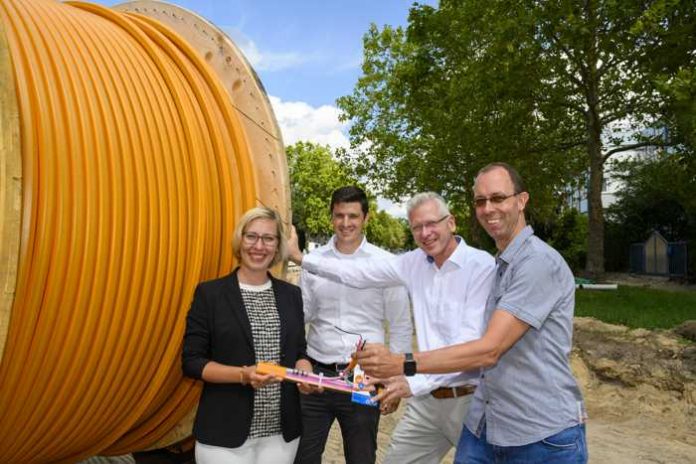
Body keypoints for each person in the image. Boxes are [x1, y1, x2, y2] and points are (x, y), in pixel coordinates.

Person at [355, 163, 588, 464]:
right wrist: (299, 257)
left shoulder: (536, 263)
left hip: (542, 435)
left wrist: (402, 364)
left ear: (522, 200)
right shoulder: (501, 264)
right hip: (489, 422)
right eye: (481, 201)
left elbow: (488, 350)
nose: (488, 208)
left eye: (498, 198)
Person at [288, 192, 495, 464]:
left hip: (457, 396)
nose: (426, 232)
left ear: (452, 223)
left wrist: (401, 377)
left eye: (432, 223)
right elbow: (354, 275)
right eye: (417, 227)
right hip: (411, 396)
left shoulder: (480, 265)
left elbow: (463, 346)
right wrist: (301, 258)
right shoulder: (413, 263)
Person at [182, 207, 314, 464]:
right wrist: (243, 375)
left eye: (268, 238)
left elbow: (299, 351)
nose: (259, 246)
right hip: (224, 434)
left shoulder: (290, 295)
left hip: (280, 435)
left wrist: (304, 372)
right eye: (251, 236)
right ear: (239, 240)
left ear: (277, 247)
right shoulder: (210, 294)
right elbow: (192, 361)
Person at [294, 186, 412, 464]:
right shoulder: (313, 262)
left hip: (363, 378)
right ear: (331, 217)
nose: (346, 223)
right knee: (302, 457)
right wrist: (299, 359)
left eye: (353, 216)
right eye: (339, 216)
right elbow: (300, 317)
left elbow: (400, 326)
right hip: (317, 377)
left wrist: (396, 380)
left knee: (361, 457)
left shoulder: (386, 264)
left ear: (366, 218)